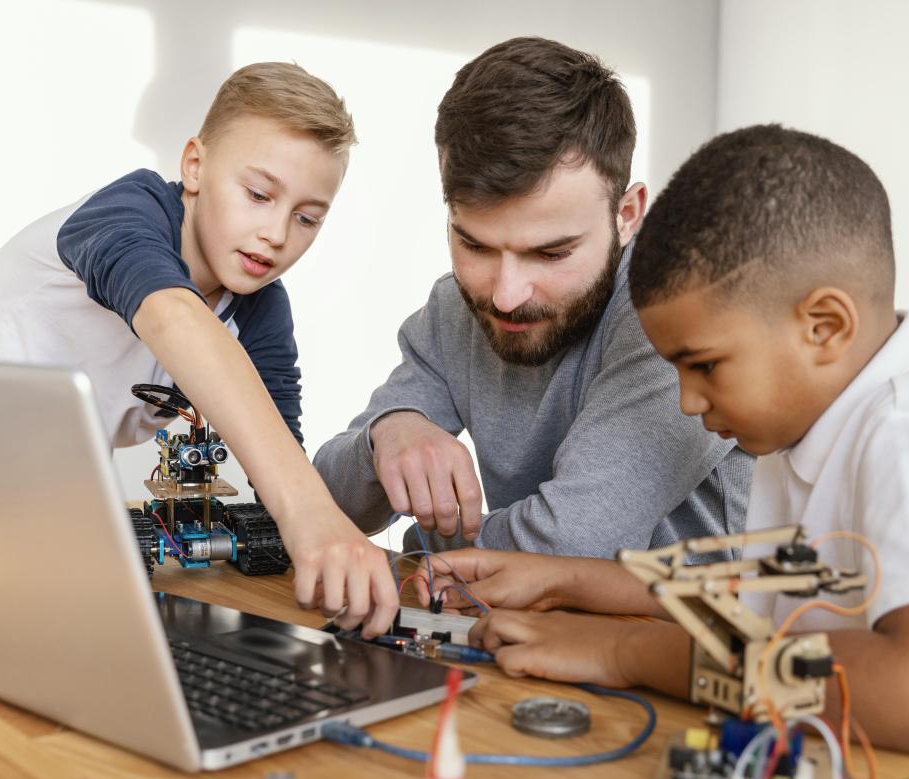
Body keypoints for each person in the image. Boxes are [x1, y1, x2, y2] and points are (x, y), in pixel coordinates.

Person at [425, 124, 909, 754]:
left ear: (824, 326)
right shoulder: (811, 423)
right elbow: (761, 595)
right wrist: (561, 579)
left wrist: (627, 651)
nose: (687, 400)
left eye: (703, 366)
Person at [0, 63, 399, 634]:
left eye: (307, 218)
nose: (277, 233)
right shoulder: (126, 214)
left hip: (6, 522)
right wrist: (308, 514)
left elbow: (276, 460)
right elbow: (171, 317)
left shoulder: (258, 307)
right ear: (194, 165)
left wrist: (332, 539)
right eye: (259, 194)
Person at [313, 37, 752, 557]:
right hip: (517, 622)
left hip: (687, 633)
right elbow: (324, 501)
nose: (505, 296)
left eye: (551, 253)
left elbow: (573, 541)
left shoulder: (674, 317)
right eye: (475, 244)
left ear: (628, 214)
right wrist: (388, 434)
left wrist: (424, 547)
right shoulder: (455, 308)